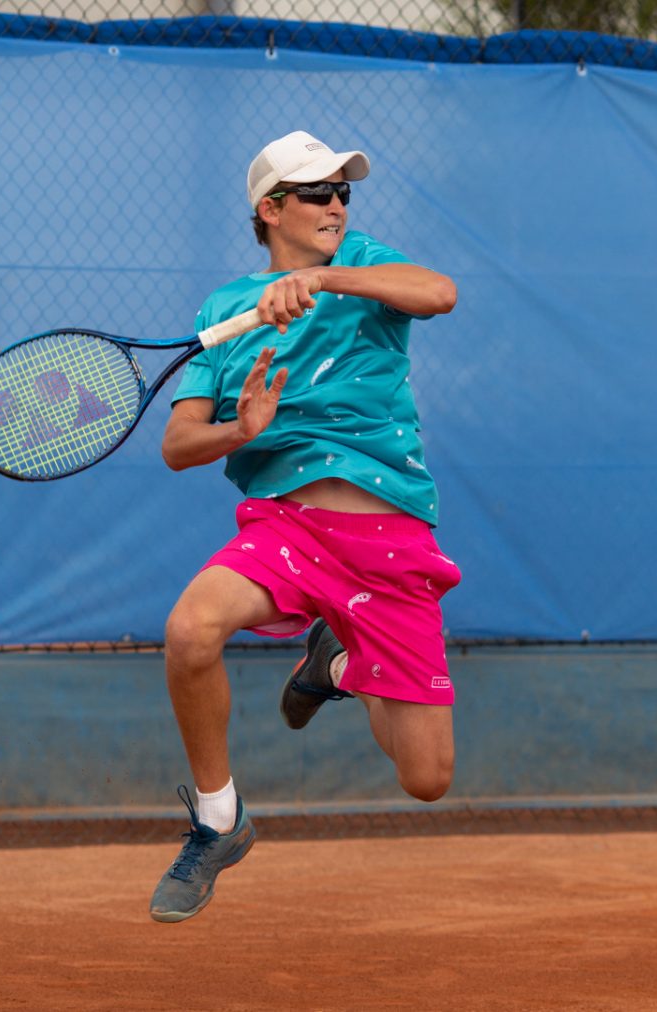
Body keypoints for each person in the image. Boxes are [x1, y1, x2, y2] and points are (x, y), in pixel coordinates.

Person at [149, 130, 460, 923]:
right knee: (190, 631)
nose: (336, 205)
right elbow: (179, 443)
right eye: (318, 193)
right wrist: (239, 430)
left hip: (390, 541)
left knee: (426, 778)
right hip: (288, 527)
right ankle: (219, 818)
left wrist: (329, 276)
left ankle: (339, 664)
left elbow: (439, 292)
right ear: (270, 209)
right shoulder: (226, 311)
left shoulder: (368, 267)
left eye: (343, 192)